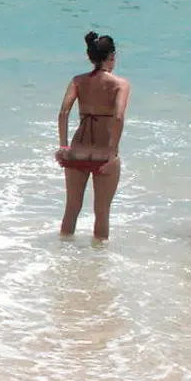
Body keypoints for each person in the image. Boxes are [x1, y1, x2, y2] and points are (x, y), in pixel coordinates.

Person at [55, 31, 130, 239]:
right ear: (112, 57)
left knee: (71, 209)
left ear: (91, 57)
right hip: (103, 152)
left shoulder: (78, 81)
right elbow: (118, 117)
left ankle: (63, 257)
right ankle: (98, 263)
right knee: (102, 213)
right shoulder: (120, 84)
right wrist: (113, 153)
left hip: (77, 150)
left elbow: (63, 113)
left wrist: (63, 147)